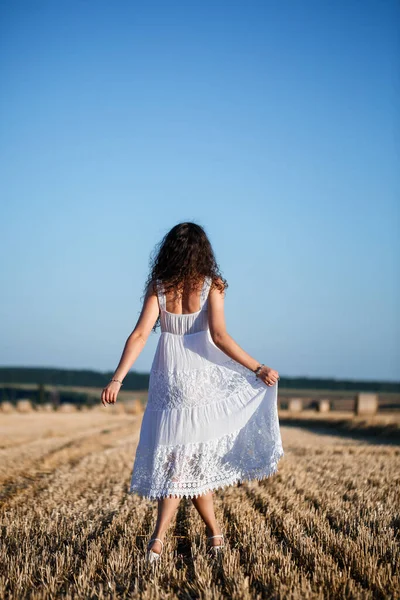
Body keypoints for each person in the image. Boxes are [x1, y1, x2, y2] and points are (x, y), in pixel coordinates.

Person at [101, 221, 284, 565]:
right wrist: (256, 368)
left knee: (179, 462)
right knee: (190, 464)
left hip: (168, 379)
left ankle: (173, 539)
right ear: (204, 251)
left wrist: (117, 379)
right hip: (200, 380)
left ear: (169, 250)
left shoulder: (158, 286)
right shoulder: (213, 285)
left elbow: (140, 335)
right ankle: (193, 538)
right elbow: (220, 337)